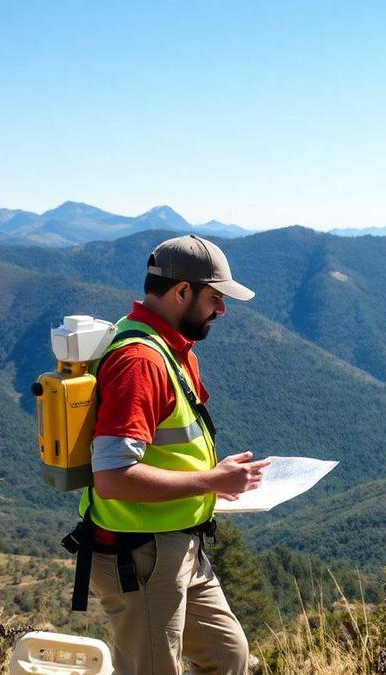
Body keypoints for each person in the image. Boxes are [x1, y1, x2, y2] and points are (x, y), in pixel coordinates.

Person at [84, 234, 266, 674]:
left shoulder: (170, 347)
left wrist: (212, 482)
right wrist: (212, 481)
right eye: (215, 298)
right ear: (182, 291)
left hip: (180, 544)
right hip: (141, 556)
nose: (221, 309)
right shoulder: (141, 361)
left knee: (227, 655)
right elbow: (112, 477)